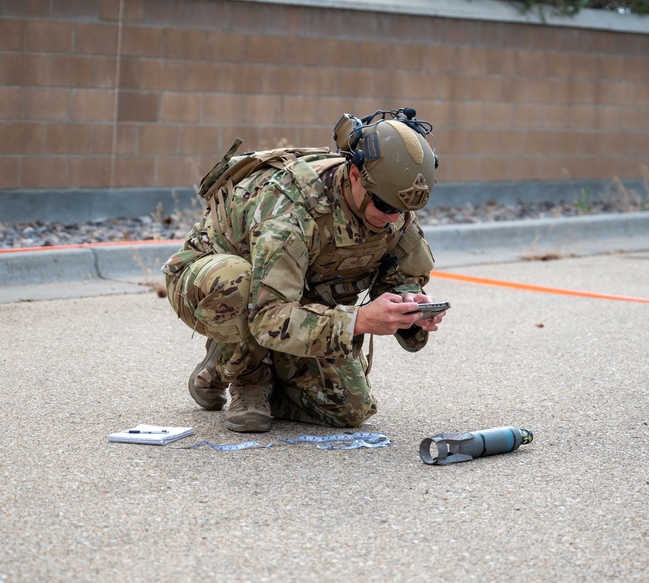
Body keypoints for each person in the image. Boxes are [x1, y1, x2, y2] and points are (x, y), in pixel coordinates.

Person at [161, 106, 447, 433]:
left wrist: (411, 313)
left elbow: (398, 283)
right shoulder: (292, 210)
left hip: (292, 296)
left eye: (404, 210)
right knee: (237, 285)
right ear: (356, 176)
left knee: (349, 410)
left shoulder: (391, 204)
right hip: (212, 285)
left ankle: (265, 375)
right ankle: (246, 375)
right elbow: (267, 317)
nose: (394, 218)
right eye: (385, 206)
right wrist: (360, 320)